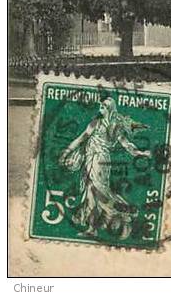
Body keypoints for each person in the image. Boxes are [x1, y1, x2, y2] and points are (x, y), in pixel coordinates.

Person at [59, 98, 152, 238]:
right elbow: (81, 138)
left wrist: (140, 152)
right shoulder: (94, 123)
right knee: (90, 192)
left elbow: (126, 144)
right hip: (89, 158)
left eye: (104, 106)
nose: (100, 107)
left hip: (101, 160)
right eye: (100, 105)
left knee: (98, 190)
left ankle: (120, 209)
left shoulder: (114, 127)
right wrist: (67, 151)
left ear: (110, 109)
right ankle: (92, 228)